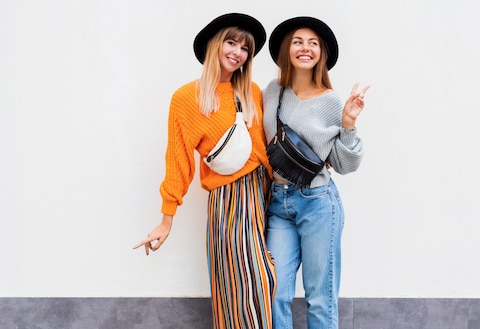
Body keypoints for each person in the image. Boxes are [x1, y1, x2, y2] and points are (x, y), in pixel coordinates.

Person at [133, 13, 275, 329]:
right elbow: (178, 159)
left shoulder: (250, 92)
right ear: (215, 44)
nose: (237, 52)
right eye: (231, 42)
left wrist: (276, 194)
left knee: (261, 279)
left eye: (245, 48)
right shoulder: (187, 98)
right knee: (235, 284)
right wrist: (166, 219)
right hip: (226, 200)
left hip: (260, 194)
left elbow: (262, 149)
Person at [262, 16, 369, 329]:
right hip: (278, 205)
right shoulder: (272, 91)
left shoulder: (332, 101)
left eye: (313, 43)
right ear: (287, 49)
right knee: (273, 293)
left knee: (319, 298)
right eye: (298, 41)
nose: (305, 48)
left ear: (321, 53)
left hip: (318, 203)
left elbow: (345, 165)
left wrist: (348, 123)